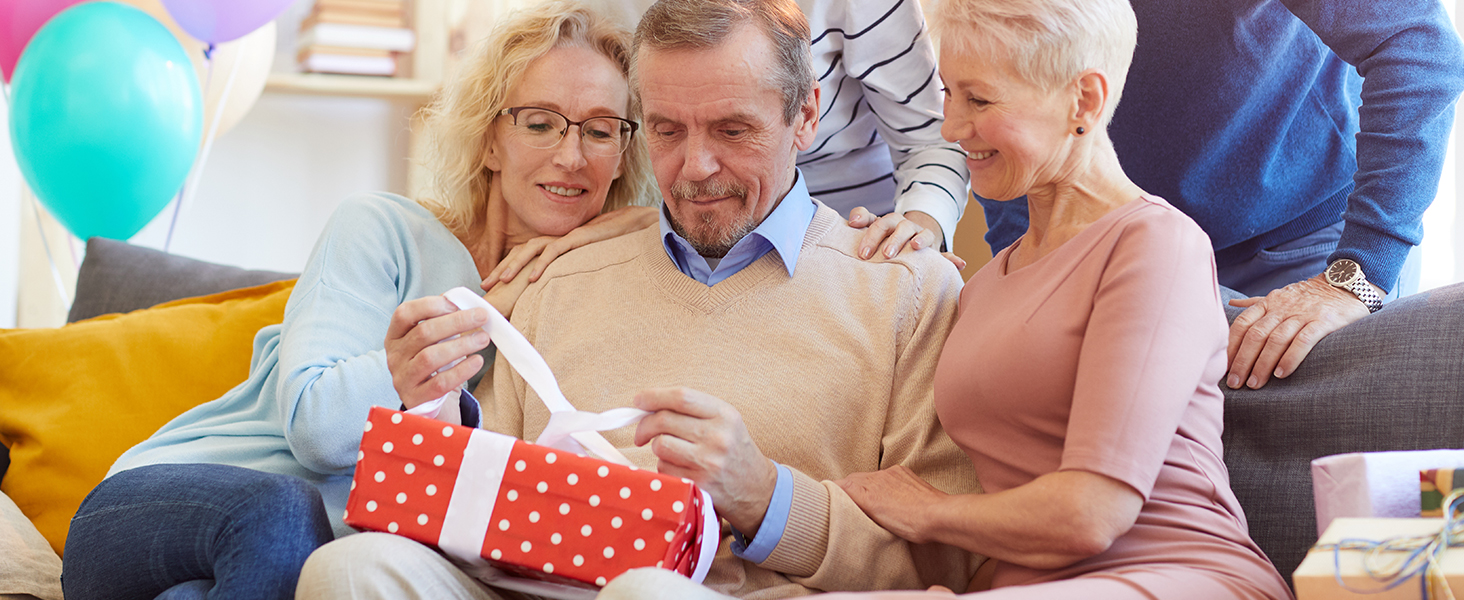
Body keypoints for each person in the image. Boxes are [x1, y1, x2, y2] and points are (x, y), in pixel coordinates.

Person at [597, 0, 1298, 597]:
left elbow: (1091, 513)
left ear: (1083, 100)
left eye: (980, 100)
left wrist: (929, 512)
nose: (952, 130)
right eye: (948, 98)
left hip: (1167, 574)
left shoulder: (1154, 244)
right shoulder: (981, 283)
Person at [296, 0, 982, 597]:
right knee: (351, 570)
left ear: (804, 116)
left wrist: (766, 498)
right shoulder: (560, 270)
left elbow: (945, 553)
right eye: (666, 130)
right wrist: (430, 406)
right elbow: (477, 495)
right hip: (529, 587)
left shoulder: (906, 294)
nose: (695, 168)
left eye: (732, 130)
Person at [61, 3, 659, 598]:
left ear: (624, 154)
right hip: (155, 507)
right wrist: (463, 328)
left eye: (601, 130)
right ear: (490, 141)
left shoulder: (581, 296)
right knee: (281, 514)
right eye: (539, 122)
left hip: (288, 570)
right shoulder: (381, 228)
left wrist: (620, 228)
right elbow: (315, 430)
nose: (571, 156)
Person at [974, 0, 1464, 391]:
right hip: (1127, 253)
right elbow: (999, 100)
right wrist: (1026, 263)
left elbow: (1419, 48)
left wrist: (1356, 276)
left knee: (1350, 485)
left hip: (1307, 243)